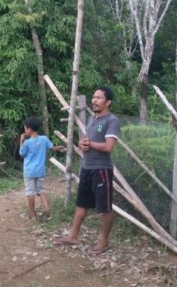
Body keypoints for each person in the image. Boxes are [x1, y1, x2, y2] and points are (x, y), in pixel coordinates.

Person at [54, 85, 121, 254]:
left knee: (105, 207)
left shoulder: (111, 120)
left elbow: (108, 147)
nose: (94, 100)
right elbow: (86, 141)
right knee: (82, 203)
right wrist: (82, 144)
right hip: (87, 167)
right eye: (93, 97)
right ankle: (73, 236)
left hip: (101, 170)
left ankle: (104, 241)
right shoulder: (93, 120)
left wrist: (90, 144)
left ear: (108, 102)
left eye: (98, 98)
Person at [19, 116, 65, 220]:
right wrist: (60, 147)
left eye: (25, 128)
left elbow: (22, 154)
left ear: (29, 129)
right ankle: (46, 208)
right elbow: (52, 148)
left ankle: (32, 214)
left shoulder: (27, 143)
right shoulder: (44, 139)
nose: (25, 131)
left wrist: (21, 141)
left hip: (29, 172)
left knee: (30, 192)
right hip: (40, 170)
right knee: (41, 190)